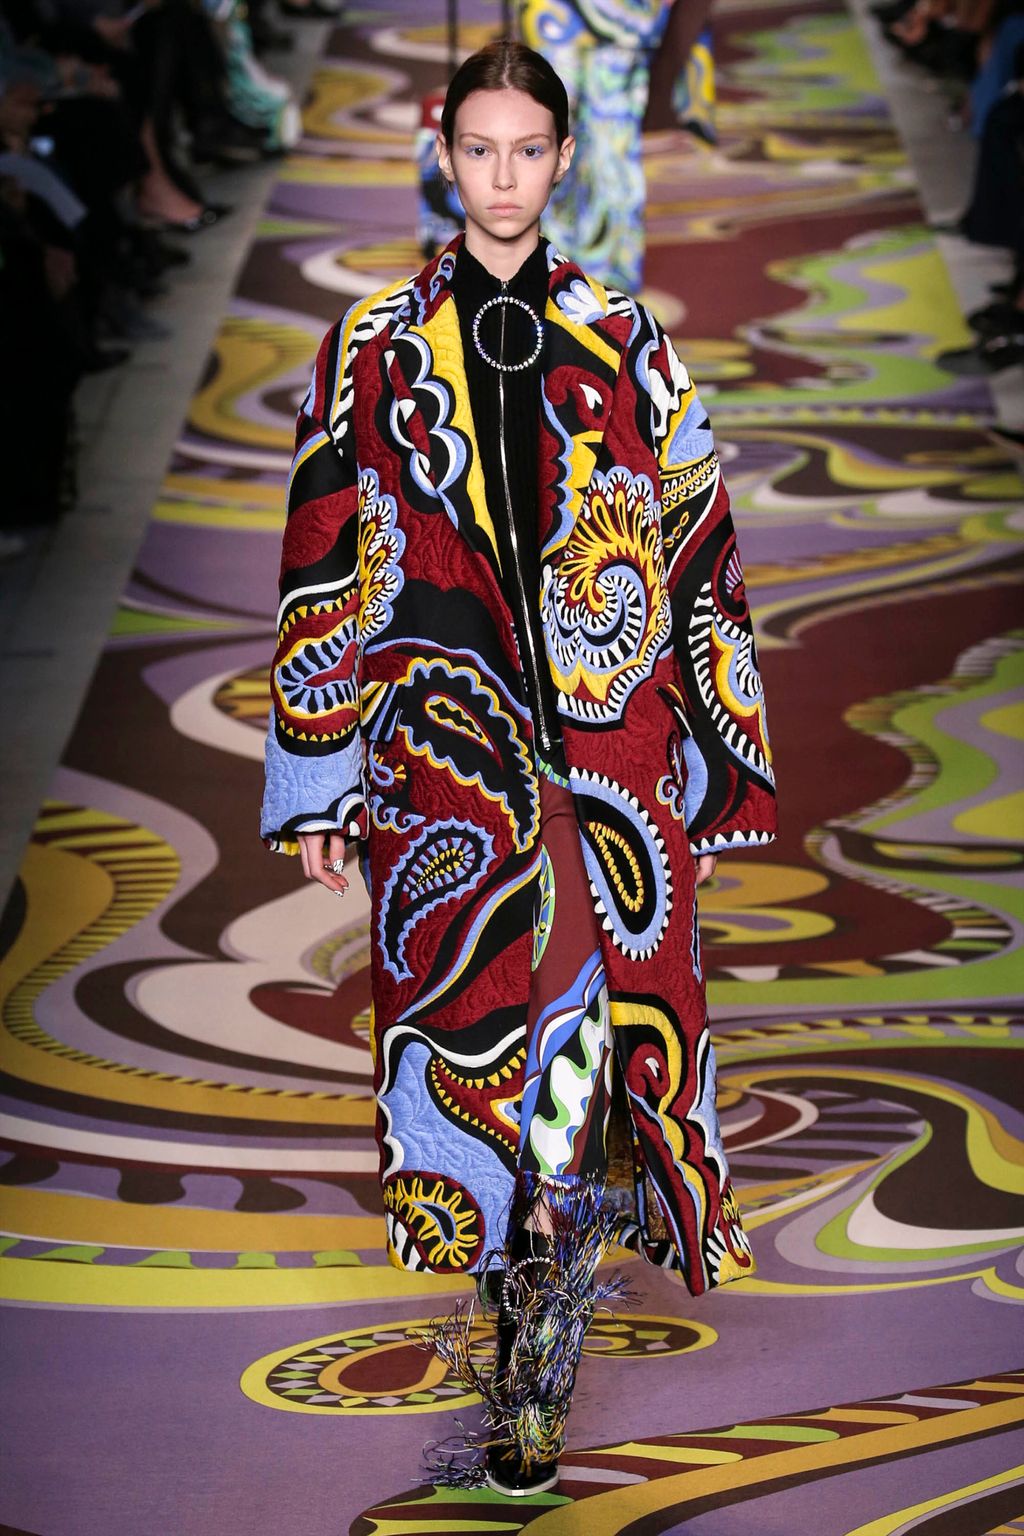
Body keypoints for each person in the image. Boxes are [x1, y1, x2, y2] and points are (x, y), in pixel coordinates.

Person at [261, 37, 777, 1498]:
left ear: (561, 160)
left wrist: (721, 755)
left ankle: (533, 1368)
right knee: (459, 1052)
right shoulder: (371, 342)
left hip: (607, 769)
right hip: (441, 765)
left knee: (573, 1066)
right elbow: (320, 547)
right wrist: (316, 775)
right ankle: (511, 1310)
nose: (500, 175)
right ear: (446, 154)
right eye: (477, 150)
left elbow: (697, 543)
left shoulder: (627, 333)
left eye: (524, 150)